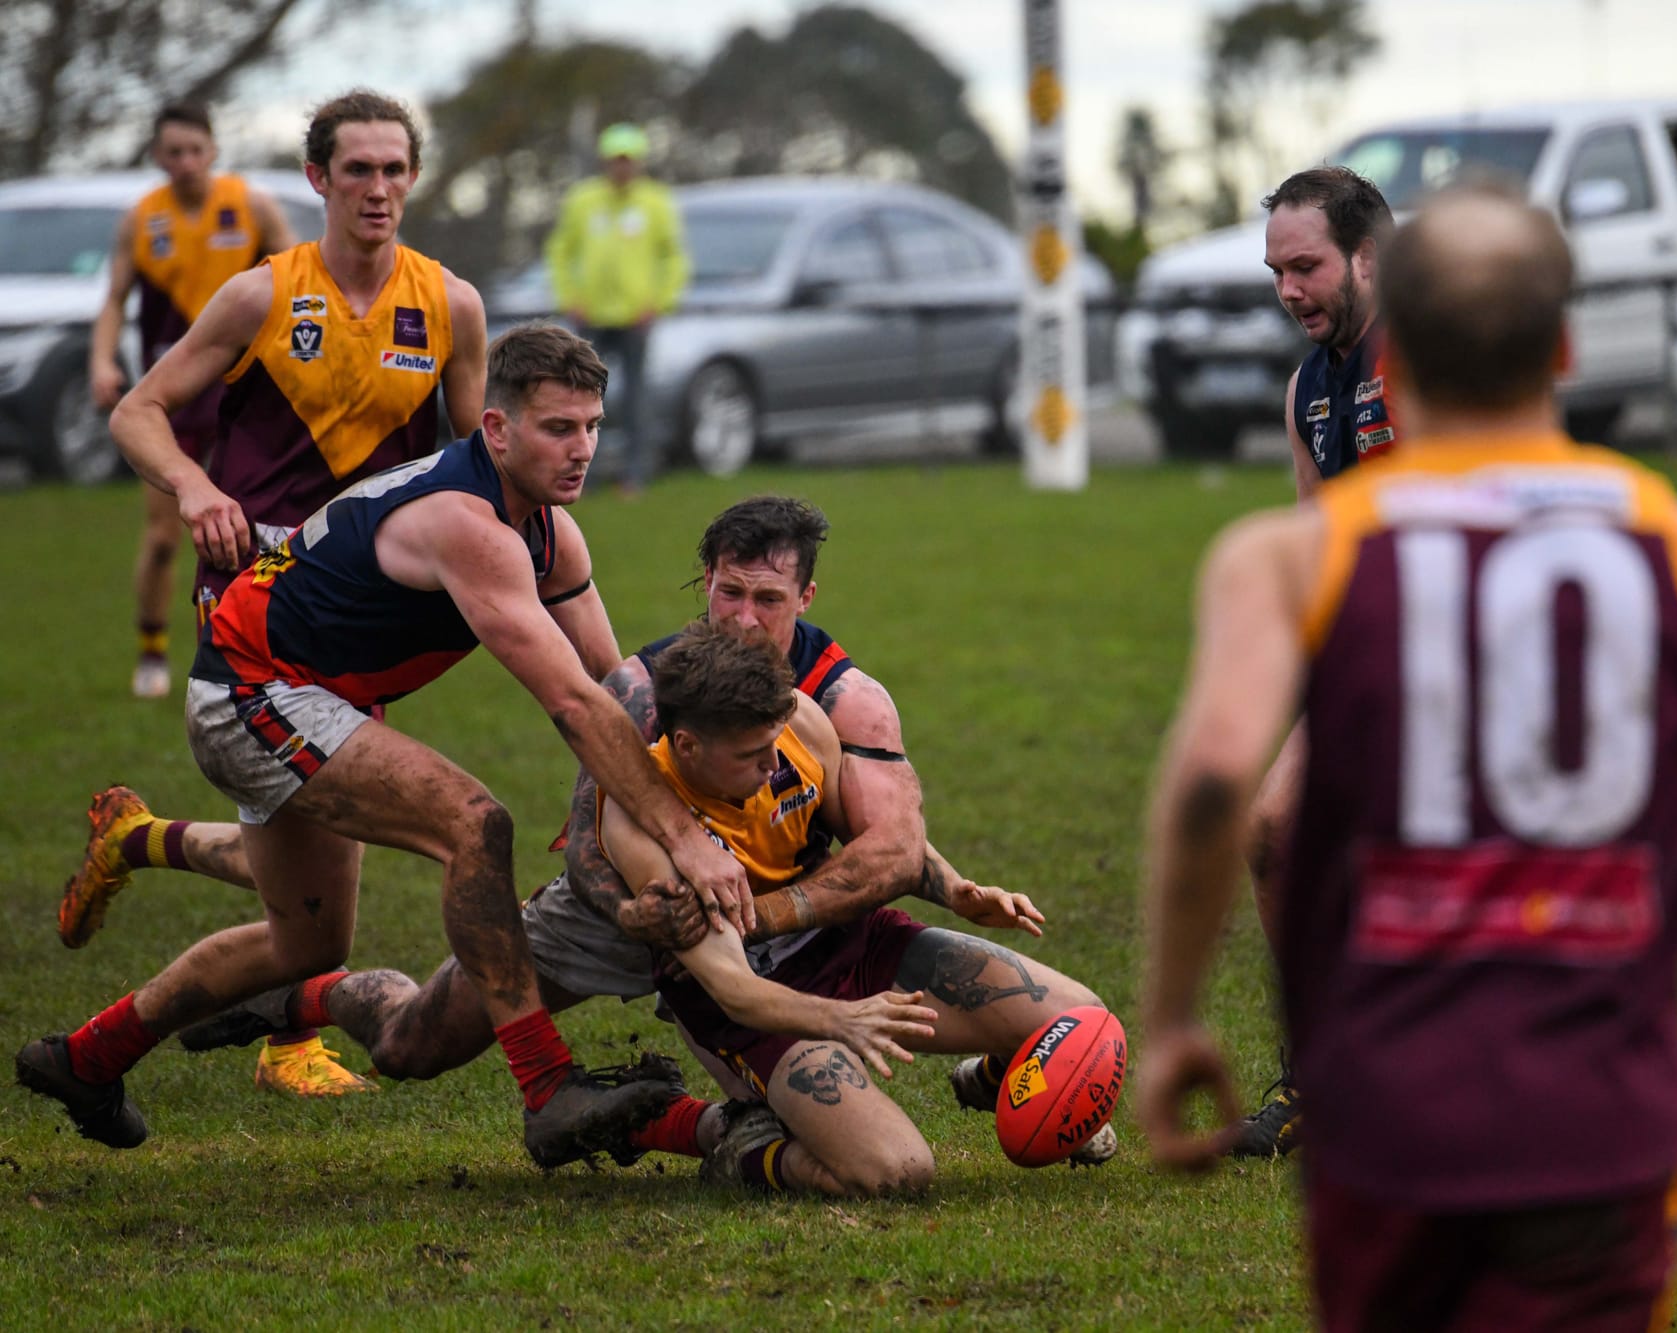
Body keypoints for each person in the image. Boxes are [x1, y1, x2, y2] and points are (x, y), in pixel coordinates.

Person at [1138, 183, 1677, 1330]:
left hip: (1393, 1120)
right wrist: (1647, 905)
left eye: (1302, 268)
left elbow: (1206, 783)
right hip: (1599, 1120)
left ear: (1399, 353)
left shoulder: (1277, 561)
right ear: (1564, 348)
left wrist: (1176, 1015)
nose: (1287, 290)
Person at [16, 323, 755, 1169]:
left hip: (312, 694)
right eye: (559, 428)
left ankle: (85, 1059)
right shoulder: (467, 525)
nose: (582, 448)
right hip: (250, 691)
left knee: (306, 945)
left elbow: (615, 685)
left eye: (592, 426)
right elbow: (572, 704)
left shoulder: (550, 533)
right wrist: (687, 840)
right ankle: (548, 1087)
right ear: (496, 429)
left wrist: (708, 762)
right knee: (474, 823)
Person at [62, 495, 1043, 1111]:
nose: (743, 618)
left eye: (768, 600)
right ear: (704, 582)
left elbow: (885, 838)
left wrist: (946, 885)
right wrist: (636, 913)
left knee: (780, 1084)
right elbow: (583, 847)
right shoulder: (645, 690)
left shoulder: (840, 700)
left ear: (807, 599)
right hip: (608, 922)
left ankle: (732, 1118)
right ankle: (304, 995)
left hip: (740, 939)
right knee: (411, 1043)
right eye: (727, 593)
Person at [175, 620, 1105, 1195]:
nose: (772, 767)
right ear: (686, 746)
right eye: (749, 758)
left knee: (1083, 1020)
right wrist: (843, 1020)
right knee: (897, 1174)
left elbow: (869, 832)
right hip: (753, 1001)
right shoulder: (645, 830)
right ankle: (740, 1142)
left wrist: (951, 884)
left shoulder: (796, 725)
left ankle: (989, 1077)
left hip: (847, 944)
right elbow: (733, 991)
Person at [82, 89, 489, 1098]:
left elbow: (482, 463)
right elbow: (138, 412)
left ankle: (140, 842)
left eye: (394, 170)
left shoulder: (451, 305)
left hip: (364, 604)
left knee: (302, 843)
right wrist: (193, 486)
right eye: (358, 169)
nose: (378, 189)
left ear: (414, 179)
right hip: (256, 597)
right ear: (318, 178)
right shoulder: (262, 296)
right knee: (317, 837)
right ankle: (285, 1044)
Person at [1233, 165, 1399, 1158]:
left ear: (1366, 256)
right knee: (1272, 830)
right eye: (1276, 273)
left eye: (1307, 267)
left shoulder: (1428, 360)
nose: (1289, 290)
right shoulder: (1309, 389)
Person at [90, 102, 296, 698]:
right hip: (173, 396)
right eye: (173, 152)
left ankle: (264, 649)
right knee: (163, 537)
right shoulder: (141, 219)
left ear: (213, 150)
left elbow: (303, 281)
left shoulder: (252, 206)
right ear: (158, 156)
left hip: (245, 393)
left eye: (194, 150)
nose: (185, 162)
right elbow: (113, 301)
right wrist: (102, 361)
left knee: (258, 530)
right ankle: (152, 649)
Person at [544, 123, 687, 492]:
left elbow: (673, 257)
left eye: (628, 160)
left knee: (637, 395)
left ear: (638, 162)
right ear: (605, 161)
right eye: (616, 160)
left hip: (635, 318)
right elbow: (560, 251)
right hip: (590, 317)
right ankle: (582, 471)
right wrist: (569, 298)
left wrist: (658, 303)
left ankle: (636, 472)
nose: (622, 167)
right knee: (583, 397)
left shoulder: (655, 202)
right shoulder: (583, 200)